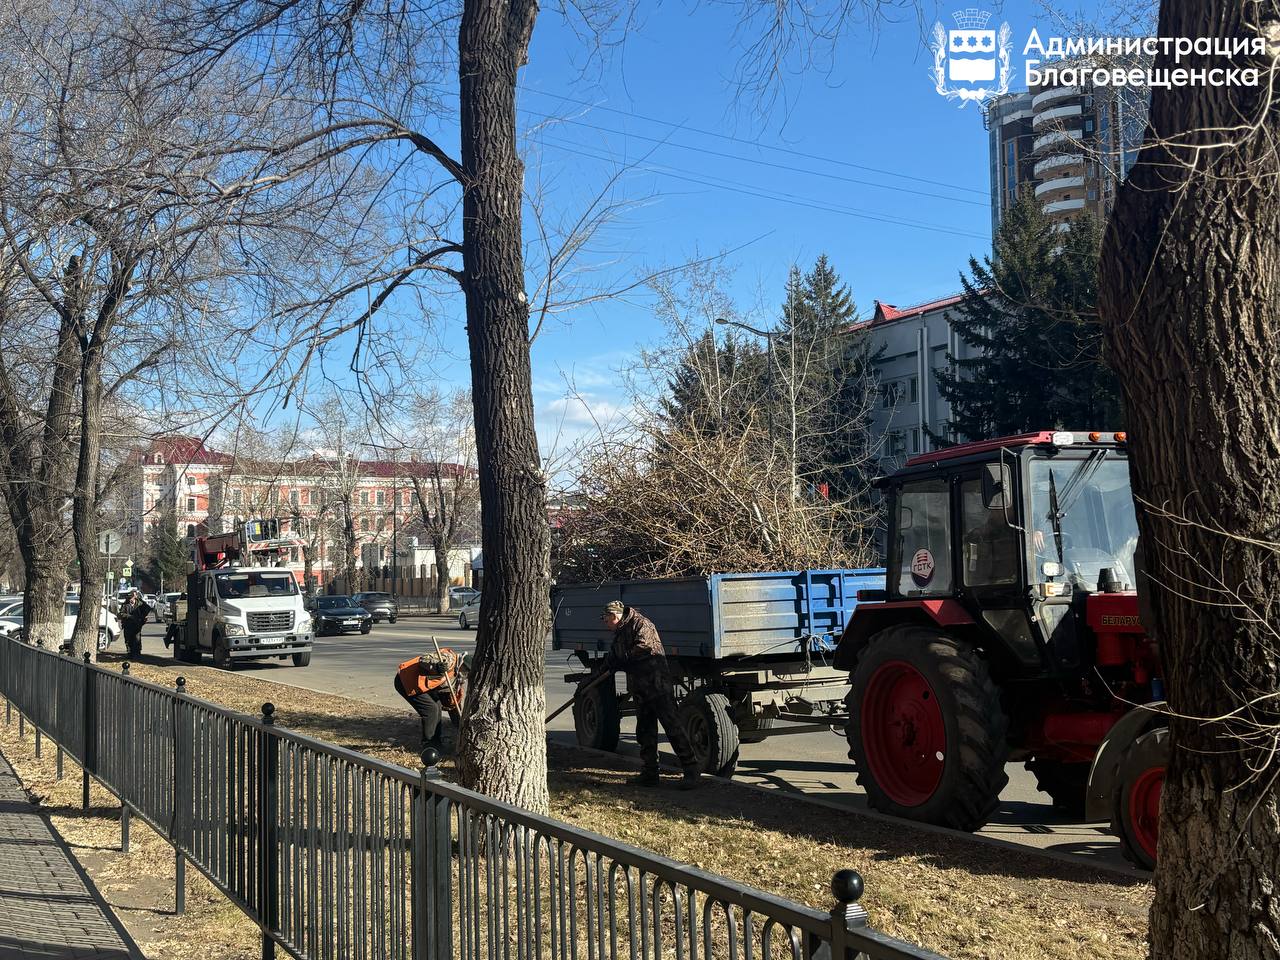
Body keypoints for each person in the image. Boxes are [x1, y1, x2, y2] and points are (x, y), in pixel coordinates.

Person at [599, 600, 701, 790]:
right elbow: (614, 655)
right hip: (640, 688)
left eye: (605, 621)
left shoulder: (642, 624)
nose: (605, 625)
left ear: (614, 616)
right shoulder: (620, 632)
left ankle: (691, 771)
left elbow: (645, 647)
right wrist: (607, 667)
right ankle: (650, 773)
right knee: (645, 732)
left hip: (657, 686)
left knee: (673, 728)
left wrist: (625, 659)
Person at [394, 648, 469, 756]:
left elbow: (451, 700)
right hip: (406, 681)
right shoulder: (448, 659)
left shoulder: (456, 674)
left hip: (420, 686)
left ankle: (436, 742)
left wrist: (459, 723)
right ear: (463, 665)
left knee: (437, 706)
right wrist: (436, 667)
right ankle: (428, 746)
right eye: (466, 671)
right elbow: (424, 661)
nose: (466, 674)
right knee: (430, 709)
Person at [120, 590, 151, 660]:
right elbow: (121, 614)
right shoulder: (125, 605)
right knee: (128, 640)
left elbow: (148, 608)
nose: (132, 599)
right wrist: (130, 616)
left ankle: (137, 653)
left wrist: (142, 618)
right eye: (131, 597)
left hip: (137, 625)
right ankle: (130, 653)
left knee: (137, 639)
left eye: (133, 597)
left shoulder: (140, 604)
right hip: (128, 625)